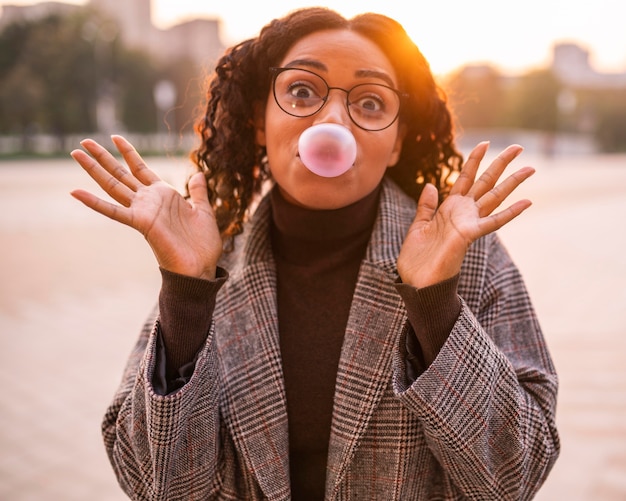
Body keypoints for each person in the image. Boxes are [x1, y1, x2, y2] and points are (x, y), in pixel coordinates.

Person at [70, 7, 559, 500]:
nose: (332, 121)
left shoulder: (466, 256)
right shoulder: (210, 264)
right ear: (260, 121)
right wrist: (186, 296)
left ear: (396, 143)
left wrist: (436, 307)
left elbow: (517, 476)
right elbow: (153, 486)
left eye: (370, 102)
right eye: (302, 91)